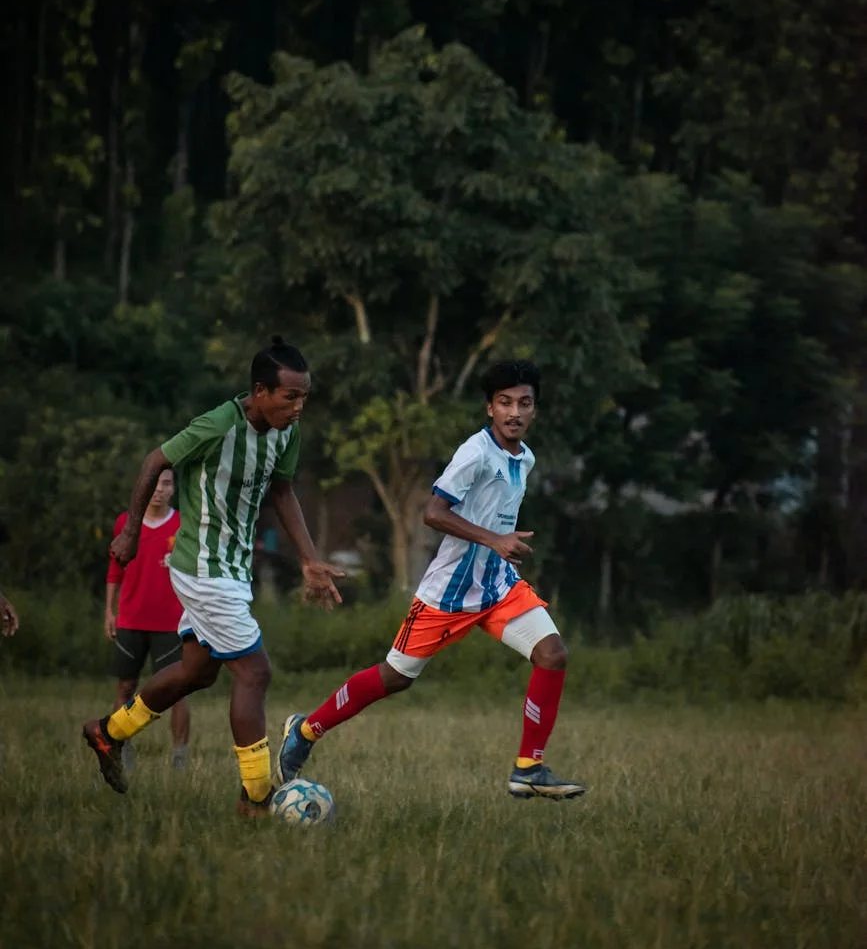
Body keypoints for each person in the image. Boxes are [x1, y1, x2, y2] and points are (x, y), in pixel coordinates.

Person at [279, 359, 585, 801]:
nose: (514, 412)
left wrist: (500, 544)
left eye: (524, 403)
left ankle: (529, 767)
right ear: (489, 408)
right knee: (395, 676)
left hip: (497, 586)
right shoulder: (474, 453)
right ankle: (306, 730)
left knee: (553, 655)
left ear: (535, 409)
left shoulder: (526, 457)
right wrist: (493, 539)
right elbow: (433, 513)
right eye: (504, 403)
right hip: (447, 594)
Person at [83, 335, 343, 816]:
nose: (299, 406)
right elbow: (155, 461)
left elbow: (282, 491)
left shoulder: (288, 431)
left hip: (231, 570)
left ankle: (107, 732)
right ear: (261, 391)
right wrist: (132, 533)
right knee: (254, 671)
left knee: (197, 673)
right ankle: (258, 800)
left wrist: (308, 559)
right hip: (202, 569)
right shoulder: (217, 425)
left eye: (305, 396)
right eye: (290, 396)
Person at [105, 466, 189, 771]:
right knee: (126, 688)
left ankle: (180, 755)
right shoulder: (126, 524)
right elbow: (115, 569)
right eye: (154, 483)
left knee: (179, 691)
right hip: (130, 620)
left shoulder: (184, 524)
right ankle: (119, 747)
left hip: (173, 624)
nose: (159, 489)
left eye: (166, 483)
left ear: (174, 488)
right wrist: (109, 611)